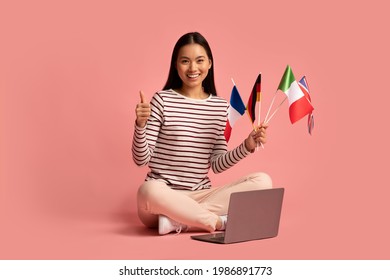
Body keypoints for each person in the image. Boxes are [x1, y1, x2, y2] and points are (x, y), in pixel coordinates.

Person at [132, 32, 272, 235]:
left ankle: (180, 221)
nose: (193, 68)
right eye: (185, 61)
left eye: (199, 61)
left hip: (202, 196)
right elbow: (140, 159)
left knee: (263, 181)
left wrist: (247, 146)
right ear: (176, 65)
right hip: (163, 199)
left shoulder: (220, 106)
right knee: (147, 191)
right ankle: (217, 223)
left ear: (209, 63)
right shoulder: (162, 100)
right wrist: (140, 125)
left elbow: (217, 164)